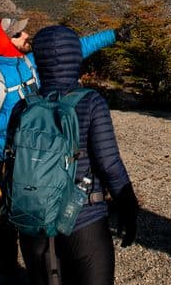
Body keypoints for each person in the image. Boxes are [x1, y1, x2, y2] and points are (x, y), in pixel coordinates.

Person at [0, 16, 119, 281]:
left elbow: (74, 48)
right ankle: (8, 270)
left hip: (51, 155)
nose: (26, 35)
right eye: (18, 34)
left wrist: (113, 35)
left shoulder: (29, 61)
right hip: (15, 161)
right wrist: (21, 115)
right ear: (5, 42)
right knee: (13, 217)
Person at [16, 25, 138, 285]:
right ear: (75, 57)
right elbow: (108, 163)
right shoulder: (91, 102)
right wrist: (128, 205)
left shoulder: (23, 106)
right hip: (83, 218)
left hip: (33, 219)